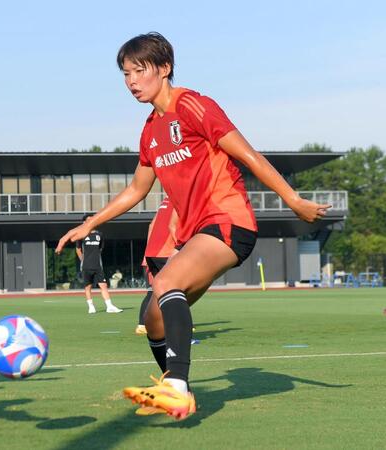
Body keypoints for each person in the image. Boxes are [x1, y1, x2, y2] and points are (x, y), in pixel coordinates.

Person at [56, 32, 331, 420]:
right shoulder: (150, 129)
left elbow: (249, 155)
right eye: (125, 74)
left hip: (228, 221)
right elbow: (137, 188)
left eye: (139, 70)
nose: (131, 81)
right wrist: (91, 222)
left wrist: (293, 199)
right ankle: (171, 380)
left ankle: (178, 389)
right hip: (196, 233)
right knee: (153, 318)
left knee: (166, 282)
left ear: (164, 68)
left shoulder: (194, 106)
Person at [135, 196, 177, 336]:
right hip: (165, 251)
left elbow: (151, 226)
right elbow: (173, 226)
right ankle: (177, 332)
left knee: (155, 291)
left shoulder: (165, 202)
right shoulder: (180, 199)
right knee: (176, 291)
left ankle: (146, 325)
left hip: (152, 253)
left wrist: (148, 250)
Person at [75, 214, 123, 314]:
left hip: (97, 265)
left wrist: (95, 257)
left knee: (103, 285)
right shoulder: (81, 234)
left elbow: (100, 248)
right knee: (88, 286)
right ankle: (91, 307)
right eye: (88, 220)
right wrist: (83, 259)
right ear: (84, 222)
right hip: (86, 266)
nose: (91, 222)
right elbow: (78, 249)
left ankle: (109, 306)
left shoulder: (99, 235)